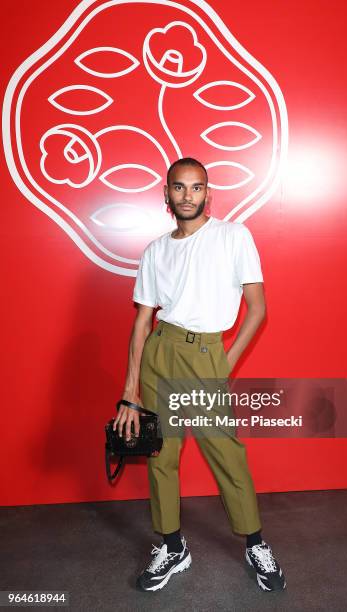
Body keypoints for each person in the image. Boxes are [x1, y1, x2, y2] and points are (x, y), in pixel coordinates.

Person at [113, 157, 286, 593]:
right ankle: (172, 547)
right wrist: (129, 390)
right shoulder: (155, 250)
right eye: (178, 187)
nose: (187, 195)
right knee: (161, 456)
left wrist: (222, 364)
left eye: (196, 187)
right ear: (166, 193)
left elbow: (258, 309)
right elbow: (141, 323)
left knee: (225, 454)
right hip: (161, 353)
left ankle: (255, 542)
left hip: (208, 352)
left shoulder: (233, 236)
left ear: (208, 193)